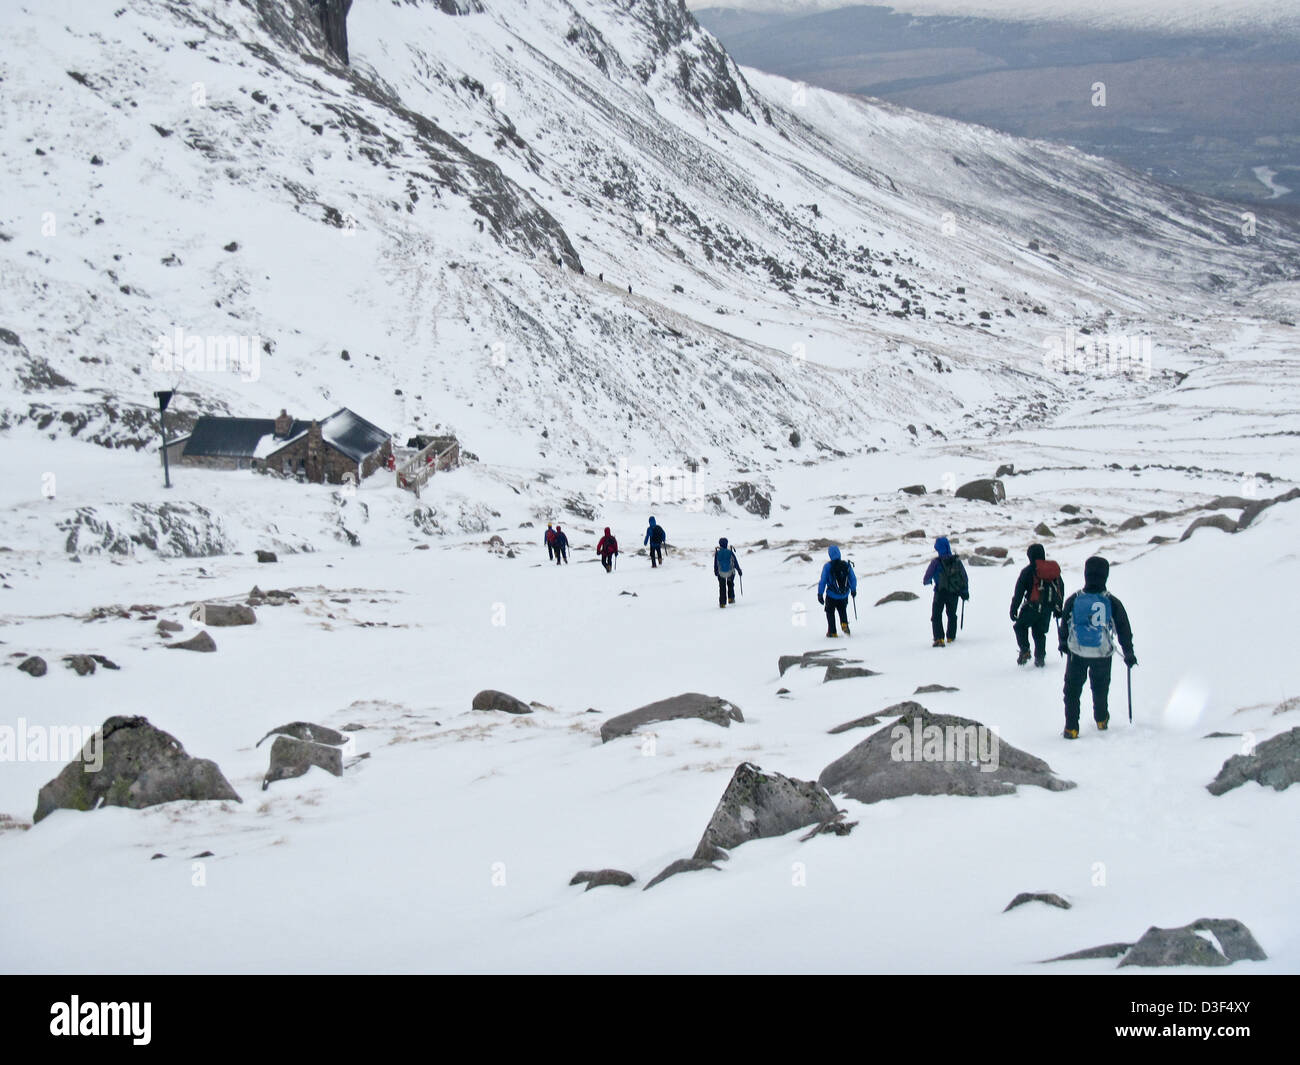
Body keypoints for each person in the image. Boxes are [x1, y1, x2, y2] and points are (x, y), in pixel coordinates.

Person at [1058, 556, 1136, 738]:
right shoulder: (1111, 601)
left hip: (1077, 652)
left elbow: (1064, 623)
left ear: (1086, 574)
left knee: (1072, 690)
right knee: (1100, 688)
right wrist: (1129, 653)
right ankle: (1101, 719)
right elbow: (1124, 629)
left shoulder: (1074, 599)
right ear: (1105, 576)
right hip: (1102, 653)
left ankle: (1071, 728)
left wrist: (1063, 643)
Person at [1009, 543, 1064, 667]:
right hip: (1048, 608)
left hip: (1032, 607)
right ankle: (1040, 659)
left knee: (1020, 627)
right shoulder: (1052, 570)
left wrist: (1014, 608)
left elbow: (1019, 592)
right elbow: (1060, 588)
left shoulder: (1028, 571)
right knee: (1039, 633)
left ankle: (1025, 650)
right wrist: (1059, 608)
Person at [922, 536, 968, 646]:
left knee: (936, 615)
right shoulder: (956, 561)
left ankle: (939, 638)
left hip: (940, 592)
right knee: (952, 614)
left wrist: (929, 582)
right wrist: (965, 591)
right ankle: (951, 637)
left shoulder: (936, 562)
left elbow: (927, 578)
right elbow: (964, 577)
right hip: (954, 593)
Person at [817, 545, 857, 637]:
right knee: (842, 609)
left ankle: (832, 632)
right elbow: (852, 578)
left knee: (830, 612)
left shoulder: (827, 566)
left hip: (831, 595)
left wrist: (820, 594)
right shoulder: (846, 565)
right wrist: (853, 590)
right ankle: (844, 624)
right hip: (844, 594)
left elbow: (822, 581)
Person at [714, 537, 742, 607]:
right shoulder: (730, 552)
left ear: (720, 544)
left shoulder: (717, 553)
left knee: (722, 587)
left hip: (720, 573)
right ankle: (731, 599)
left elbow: (715, 564)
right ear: (726, 544)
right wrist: (739, 570)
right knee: (730, 584)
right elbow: (735, 562)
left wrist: (716, 571)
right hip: (730, 572)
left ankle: (722, 603)